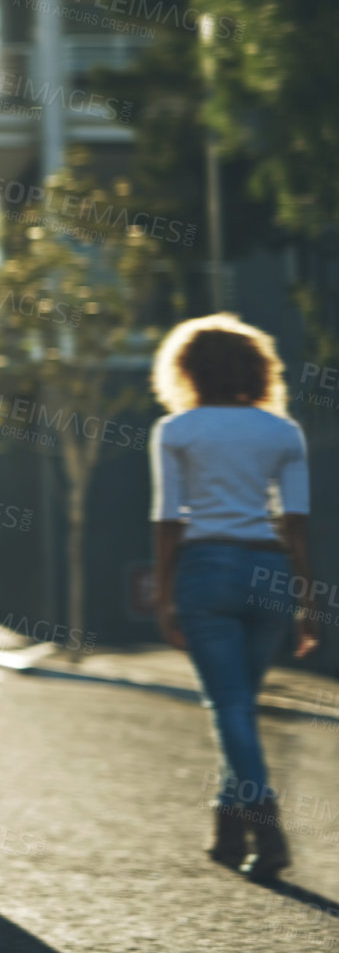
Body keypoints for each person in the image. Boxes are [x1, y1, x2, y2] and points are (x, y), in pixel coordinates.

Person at [149, 313, 316, 879]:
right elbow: (296, 524)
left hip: (206, 568)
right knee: (239, 701)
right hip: (270, 569)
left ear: (188, 370)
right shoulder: (283, 431)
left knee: (230, 706)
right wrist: (307, 602)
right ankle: (227, 826)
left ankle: (267, 831)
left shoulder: (178, 430)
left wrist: (166, 594)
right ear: (256, 369)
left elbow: (169, 520)